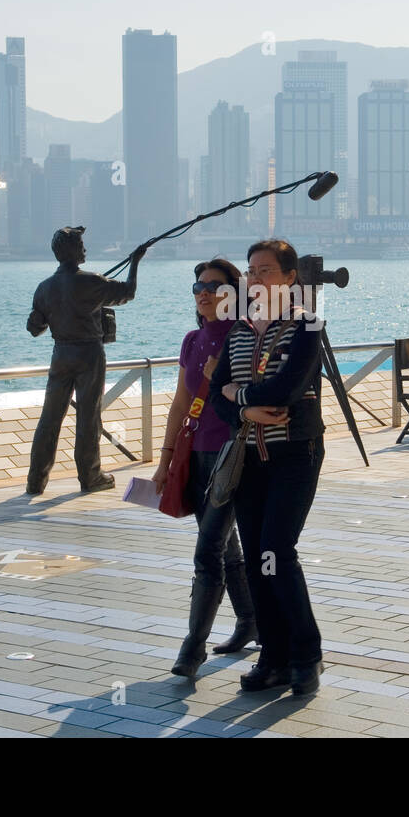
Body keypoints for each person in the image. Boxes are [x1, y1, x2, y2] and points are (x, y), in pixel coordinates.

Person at [211, 239, 327, 696]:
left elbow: (287, 388)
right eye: (251, 270)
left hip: (294, 453)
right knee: (259, 561)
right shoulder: (237, 330)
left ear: (289, 277)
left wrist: (239, 398)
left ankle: (307, 655)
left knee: (278, 551)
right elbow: (215, 394)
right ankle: (273, 657)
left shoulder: (307, 325)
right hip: (248, 457)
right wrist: (243, 413)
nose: (256, 278)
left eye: (266, 270)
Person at [154, 258, 260, 677]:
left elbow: (256, 394)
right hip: (193, 453)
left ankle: (191, 647)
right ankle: (250, 622)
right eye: (198, 285)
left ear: (234, 294)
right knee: (223, 546)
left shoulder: (246, 337)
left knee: (207, 551)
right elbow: (181, 403)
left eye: (214, 285)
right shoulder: (192, 339)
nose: (203, 292)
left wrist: (223, 380)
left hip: (231, 453)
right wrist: (163, 460)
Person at [25, 226, 144, 494]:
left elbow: (35, 328)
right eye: (81, 244)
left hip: (60, 355)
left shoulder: (44, 288)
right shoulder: (92, 282)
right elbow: (127, 292)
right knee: (88, 417)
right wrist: (135, 262)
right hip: (89, 354)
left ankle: (36, 480)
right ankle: (90, 477)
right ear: (72, 250)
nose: (85, 249)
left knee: (50, 417)